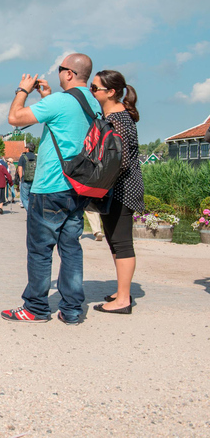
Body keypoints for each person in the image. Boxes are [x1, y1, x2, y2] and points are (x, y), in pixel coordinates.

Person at [1, 53, 101, 325]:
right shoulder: (93, 103)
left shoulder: (61, 101)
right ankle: (71, 310)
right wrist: (46, 95)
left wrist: (23, 90)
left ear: (69, 73)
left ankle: (35, 307)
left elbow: (15, 118)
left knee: (40, 249)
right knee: (70, 247)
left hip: (50, 186)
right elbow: (65, 126)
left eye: (60, 69)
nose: (58, 74)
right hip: (78, 186)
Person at [90, 70, 145, 315]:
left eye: (95, 88)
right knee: (114, 241)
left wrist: (93, 176)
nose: (92, 92)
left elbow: (117, 160)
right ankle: (122, 290)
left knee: (122, 244)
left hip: (121, 188)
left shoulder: (118, 119)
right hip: (116, 187)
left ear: (110, 92)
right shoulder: (116, 115)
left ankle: (123, 299)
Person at [16, 143, 37, 209]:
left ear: (27, 149)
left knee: (24, 198)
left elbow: (20, 169)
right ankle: (34, 211)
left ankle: (30, 212)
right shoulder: (36, 157)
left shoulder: (23, 157)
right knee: (33, 198)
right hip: (34, 180)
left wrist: (21, 178)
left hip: (25, 180)